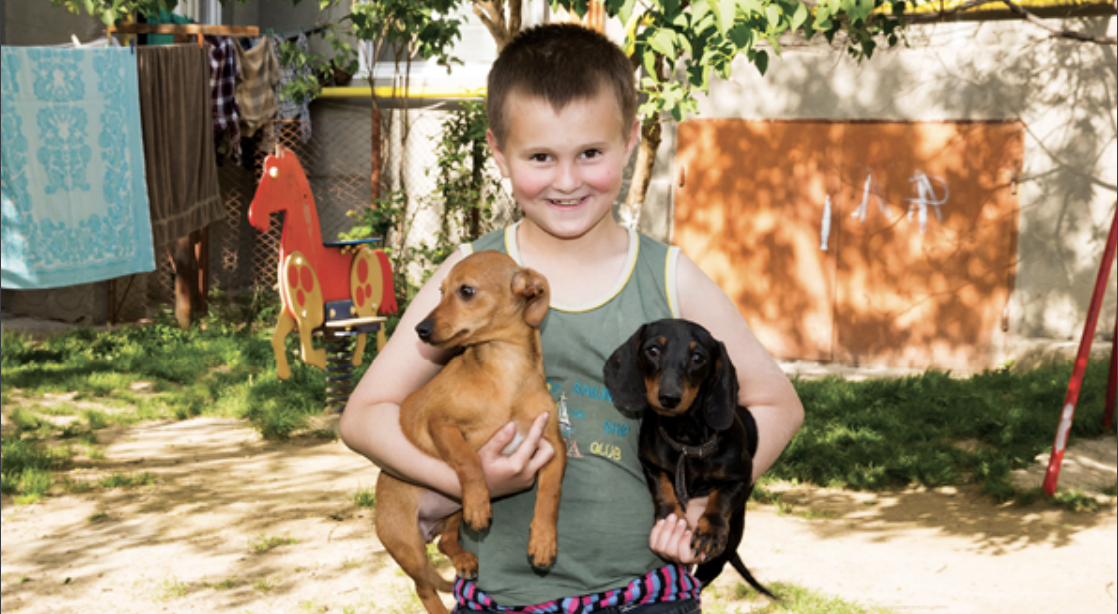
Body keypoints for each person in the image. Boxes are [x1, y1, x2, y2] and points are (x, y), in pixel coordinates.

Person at [339, 23, 804, 614]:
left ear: (631, 140)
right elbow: (363, 417)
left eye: (590, 153)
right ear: (499, 153)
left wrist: (701, 510)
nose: (566, 180)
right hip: (502, 600)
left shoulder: (669, 277)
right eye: (540, 157)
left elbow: (777, 405)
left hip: (647, 596)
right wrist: (464, 482)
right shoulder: (468, 277)